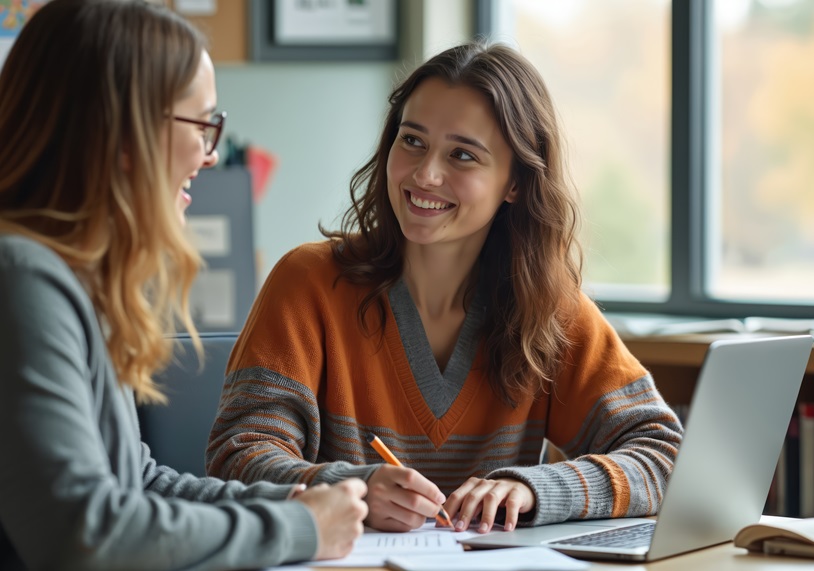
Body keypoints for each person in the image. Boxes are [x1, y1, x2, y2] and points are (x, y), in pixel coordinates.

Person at [206, 41, 683, 535]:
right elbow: (237, 455)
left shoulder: (551, 309)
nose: (425, 174)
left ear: (515, 182)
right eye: (412, 141)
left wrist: (534, 489)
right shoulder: (308, 282)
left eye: (462, 155)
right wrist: (350, 486)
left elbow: (666, 457)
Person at [0, 1, 368, 569]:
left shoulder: (73, 282)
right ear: (125, 135)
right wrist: (297, 527)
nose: (212, 152)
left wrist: (297, 502)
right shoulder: (22, 282)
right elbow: (82, 531)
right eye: (202, 125)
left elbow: (136, 483)